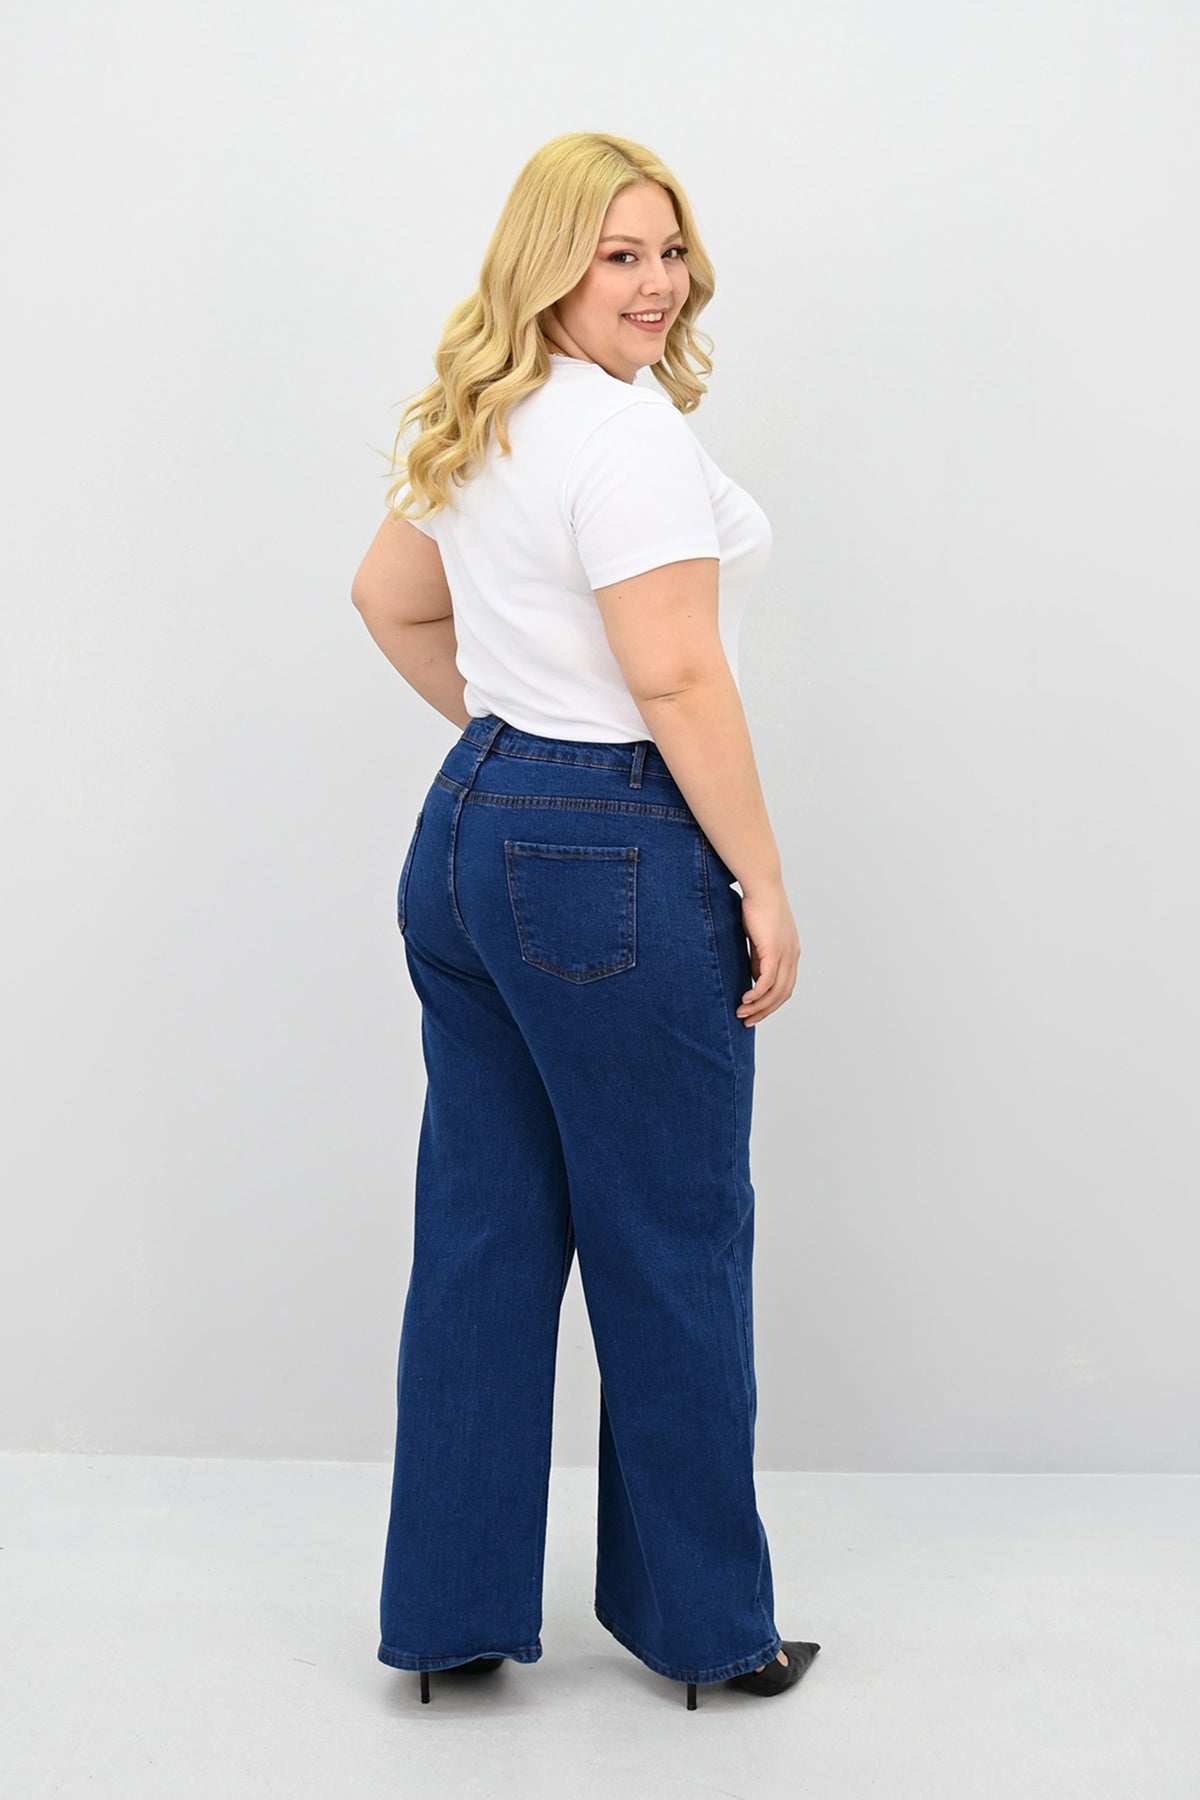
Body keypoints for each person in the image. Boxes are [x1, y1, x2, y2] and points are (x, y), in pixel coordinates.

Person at [351, 130, 821, 1711]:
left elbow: (388, 597)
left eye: (669, 251)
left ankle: (450, 1621)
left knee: (483, 1232)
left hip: (467, 836)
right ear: (549, 263)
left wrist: (511, 744)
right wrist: (759, 877)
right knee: (670, 1233)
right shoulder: (623, 439)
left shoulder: (485, 413)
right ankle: (707, 1628)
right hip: (608, 853)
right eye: (619, 254)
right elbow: (674, 675)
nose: (656, 282)